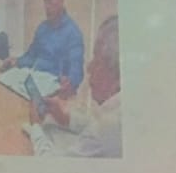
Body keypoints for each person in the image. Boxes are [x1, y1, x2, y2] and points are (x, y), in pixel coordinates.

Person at [29, 15, 121, 157]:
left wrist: (35, 127)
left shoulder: (109, 127)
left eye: (97, 60)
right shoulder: (42, 28)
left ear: (117, 75)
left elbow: (50, 164)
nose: (89, 68)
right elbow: (94, 121)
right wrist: (65, 118)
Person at [2, 0, 84, 93]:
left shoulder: (73, 33)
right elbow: (31, 56)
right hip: (34, 82)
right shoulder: (42, 28)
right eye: (45, 1)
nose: (47, 6)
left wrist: (70, 82)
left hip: (55, 89)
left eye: (51, 0)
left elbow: (77, 70)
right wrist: (16, 61)